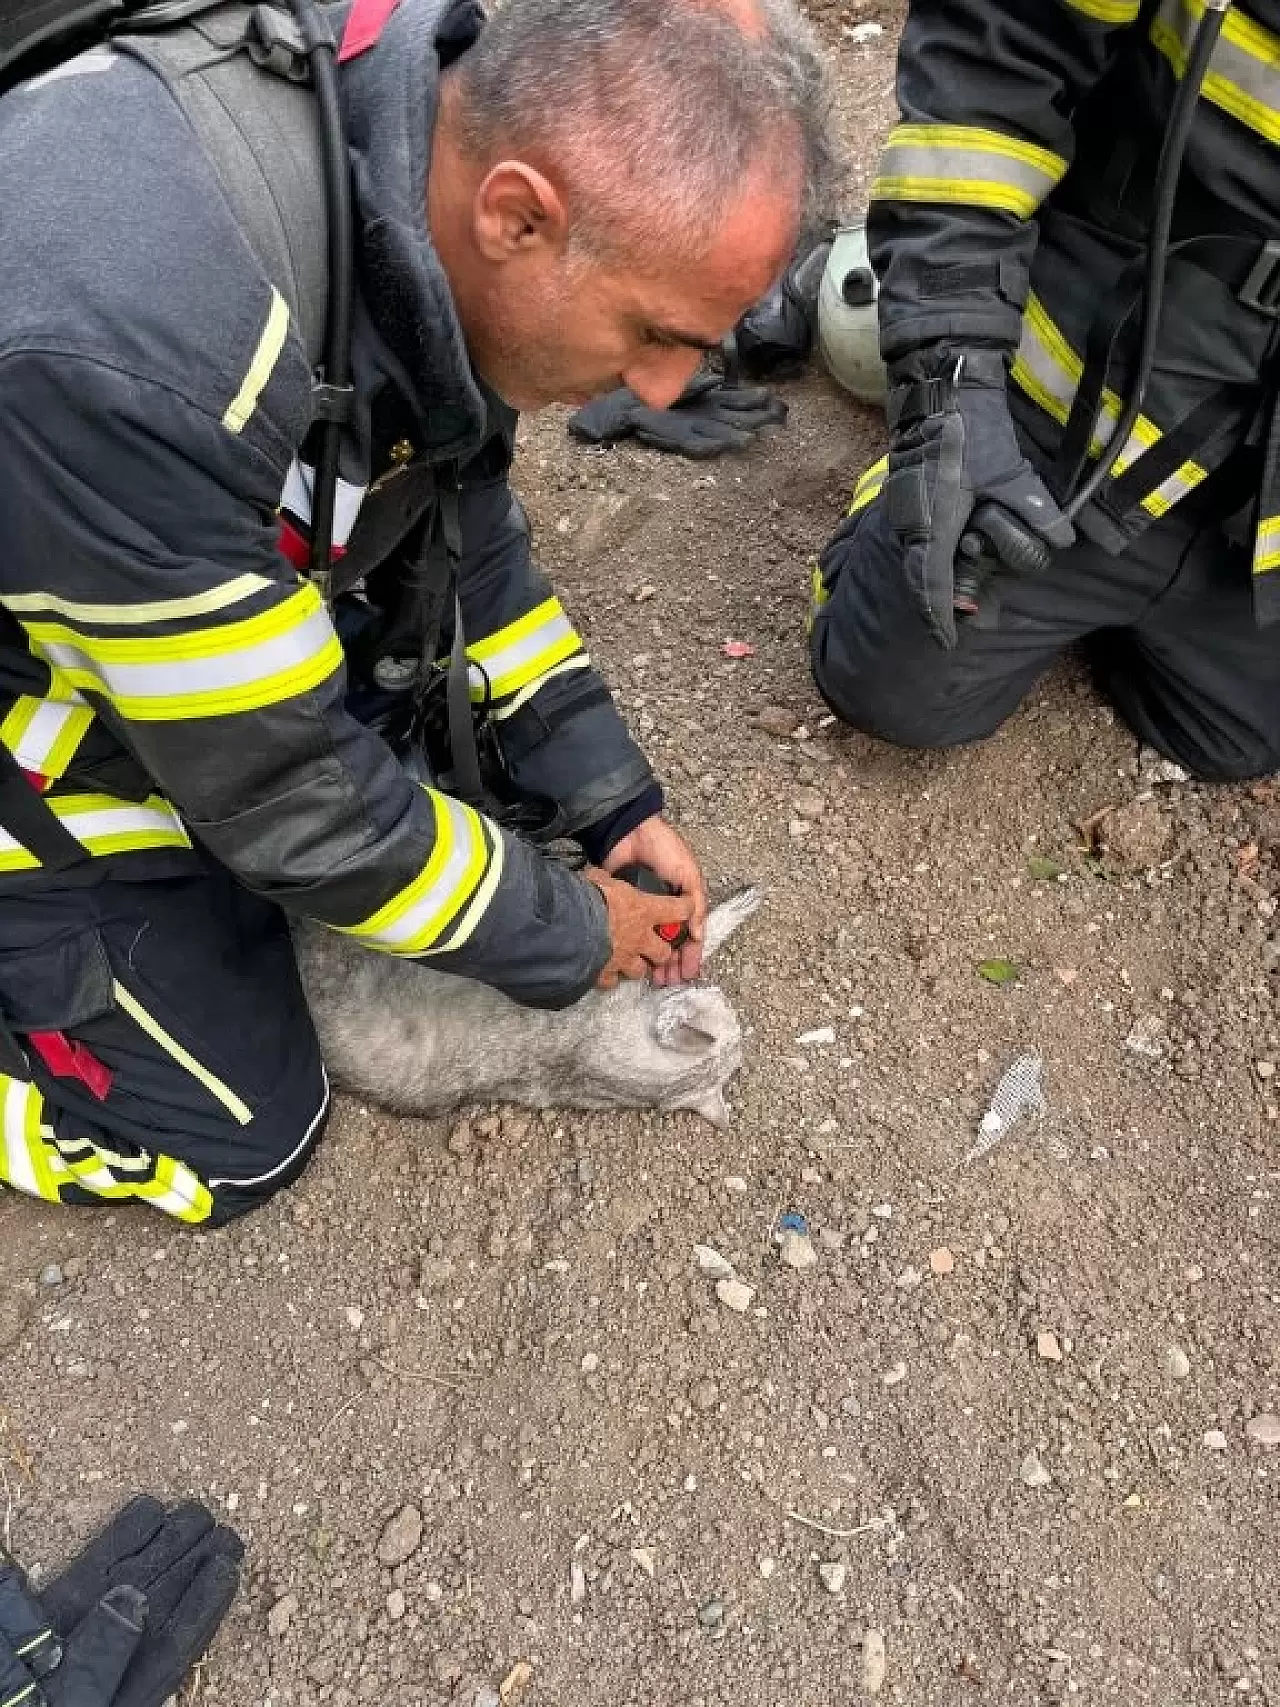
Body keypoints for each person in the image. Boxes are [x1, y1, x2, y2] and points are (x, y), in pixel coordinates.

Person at [0, 0, 837, 1225]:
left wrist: (607, 795)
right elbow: (291, 799)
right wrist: (561, 926)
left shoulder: (405, 155)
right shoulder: (139, 362)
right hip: (51, 598)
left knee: (399, 774)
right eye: (657, 335)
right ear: (517, 214)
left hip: (110, 532)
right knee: (230, 1138)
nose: (663, 390)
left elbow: (455, 524)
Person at [810, 0, 1280, 782]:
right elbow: (990, 56)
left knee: (1232, 744)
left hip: (1256, 499)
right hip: (1090, 395)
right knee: (894, 685)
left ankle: (1126, 602)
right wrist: (948, 378)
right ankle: (885, 383)